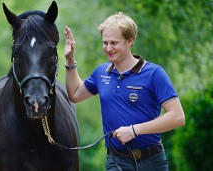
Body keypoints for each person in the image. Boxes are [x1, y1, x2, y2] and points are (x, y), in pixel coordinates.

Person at [64, 12, 185, 171]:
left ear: (130, 40)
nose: (108, 48)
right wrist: (70, 60)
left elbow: (177, 117)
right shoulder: (101, 73)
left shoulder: (154, 73)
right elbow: (74, 95)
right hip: (116, 162)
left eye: (114, 43)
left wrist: (134, 131)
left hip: (152, 162)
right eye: (105, 42)